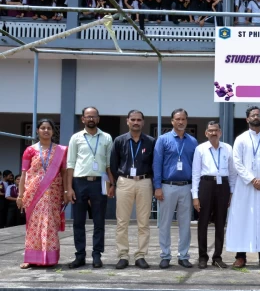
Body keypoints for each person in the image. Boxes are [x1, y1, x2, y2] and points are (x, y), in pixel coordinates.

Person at [226, 106, 260, 268]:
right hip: (245, 186)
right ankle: (240, 256)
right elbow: (237, 162)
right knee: (243, 219)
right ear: (247, 119)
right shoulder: (241, 139)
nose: (256, 117)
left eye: (258, 115)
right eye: (253, 115)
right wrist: (251, 179)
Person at [65, 107, 115, 269]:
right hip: (79, 182)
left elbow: (108, 164)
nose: (91, 119)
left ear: (98, 119)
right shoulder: (76, 138)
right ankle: (80, 255)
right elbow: (70, 164)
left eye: (94, 116)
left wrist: (111, 185)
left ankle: (97, 255)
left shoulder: (106, 137)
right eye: (88, 116)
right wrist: (69, 188)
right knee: (78, 221)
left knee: (99, 221)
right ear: (83, 119)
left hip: (100, 181)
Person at [16, 119, 67, 268]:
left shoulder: (61, 150)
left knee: (49, 224)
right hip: (33, 193)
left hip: (53, 193)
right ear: (37, 131)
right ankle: (31, 258)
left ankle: (49, 258)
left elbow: (64, 173)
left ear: (53, 131)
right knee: (34, 225)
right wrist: (20, 195)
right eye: (43, 128)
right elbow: (24, 174)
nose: (46, 130)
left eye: (49, 128)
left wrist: (65, 191)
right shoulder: (30, 150)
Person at [153, 108, 198, 269]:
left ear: (187, 121)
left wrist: (195, 190)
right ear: (172, 121)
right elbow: (157, 164)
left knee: (185, 224)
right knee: (164, 223)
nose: (180, 122)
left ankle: (183, 256)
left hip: (186, 186)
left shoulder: (192, 141)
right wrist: (157, 186)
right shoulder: (163, 140)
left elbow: (196, 166)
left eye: (183, 119)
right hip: (167, 186)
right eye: (177, 119)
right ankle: (165, 255)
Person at [110, 110, 155, 270]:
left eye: (139, 120)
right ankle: (123, 255)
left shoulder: (150, 141)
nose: (136, 122)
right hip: (125, 181)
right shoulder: (119, 140)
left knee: (144, 222)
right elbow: (113, 164)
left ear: (143, 122)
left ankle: (141, 255)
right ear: (127, 121)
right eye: (133, 119)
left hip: (144, 182)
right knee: (122, 221)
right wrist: (115, 182)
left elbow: (154, 164)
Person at [191, 121, 236, 269]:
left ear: (220, 132)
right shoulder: (200, 149)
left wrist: (231, 192)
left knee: (220, 222)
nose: (213, 133)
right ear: (206, 133)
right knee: (203, 222)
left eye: (216, 130)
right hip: (206, 184)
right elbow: (195, 173)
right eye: (210, 131)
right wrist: (195, 196)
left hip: (223, 186)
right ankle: (202, 257)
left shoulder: (228, 148)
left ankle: (217, 257)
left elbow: (232, 172)